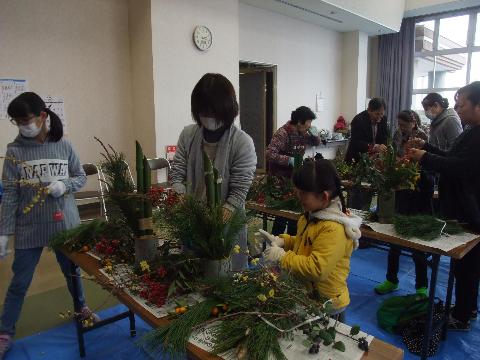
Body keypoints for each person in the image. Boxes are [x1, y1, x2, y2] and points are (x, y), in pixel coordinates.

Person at [0, 92, 99, 359]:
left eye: (26, 119)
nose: (22, 125)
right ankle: (4, 332)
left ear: (43, 116)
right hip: (30, 227)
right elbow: (9, 193)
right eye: (17, 121)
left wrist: (64, 185)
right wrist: (4, 232)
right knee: (19, 282)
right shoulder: (14, 151)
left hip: (64, 224)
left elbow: (80, 177)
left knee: (73, 274)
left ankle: (82, 309)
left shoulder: (64, 146)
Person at [408, 81, 480, 331]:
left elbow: (461, 168)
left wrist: (426, 157)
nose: (457, 110)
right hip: (460, 209)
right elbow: (452, 157)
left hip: (471, 211)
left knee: (468, 267)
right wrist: (427, 148)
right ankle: (465, 308)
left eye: (462, 105)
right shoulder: (471, 130)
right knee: (463, 267)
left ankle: (462, 316)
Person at [170, 73, 257, 271]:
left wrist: (217, 221)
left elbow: (238, 191)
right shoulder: (188, 135)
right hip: (193, 221)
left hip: (226, 226)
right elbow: (177, 174)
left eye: (213, 112)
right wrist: (183, 200)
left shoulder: (242, 142)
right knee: (194, 275)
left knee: (226, 277)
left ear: (228, 110)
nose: (208, 117)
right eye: (203, 112)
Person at [260, 159, 362, 320]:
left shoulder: (333, 228)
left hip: (327, 304)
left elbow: (317, 269)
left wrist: (282, 257)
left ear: (323, 197)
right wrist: (284, 241)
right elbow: (305, 242)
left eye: (303, 193)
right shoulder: (311, 215)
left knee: (323, 342)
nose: (298, 196)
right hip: (309, 297)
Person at [375, 110, 431, 296]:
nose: (401, 128)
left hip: (418, 192)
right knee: (395, 237)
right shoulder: (398, 135)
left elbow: (425, 162)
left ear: (413, 122)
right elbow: (395, 156)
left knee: (417, 242)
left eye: (404, 125)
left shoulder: (422, 136)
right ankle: (391, 279)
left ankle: (421, 286)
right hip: (401, 190)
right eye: (399, 124)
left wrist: (406, 163)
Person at [265, 106, 320, 236]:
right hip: (280, 179)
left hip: (296, 179)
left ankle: (293, 245)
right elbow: (269, 154)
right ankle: (276, 246)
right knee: (282, 215)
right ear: (300, 122)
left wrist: (315, 136)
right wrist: (290, 160)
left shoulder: (304, 133)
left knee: (296, 215)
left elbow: (316, 143)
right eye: (309, 122)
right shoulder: (283, 133)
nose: (310, 126)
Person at [345, 98, 388, 211]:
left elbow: (384, 138)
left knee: (368, 191)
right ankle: (353, 213)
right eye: (377, 114)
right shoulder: (358, 120)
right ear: (369, 110)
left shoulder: (383, 120)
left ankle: (366, 215)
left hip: (374, 162)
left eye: (382, 114)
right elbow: (356, 142)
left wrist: (382, 148)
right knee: (356, 192)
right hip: (357, 160)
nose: (379, 117)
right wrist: (374, 147)